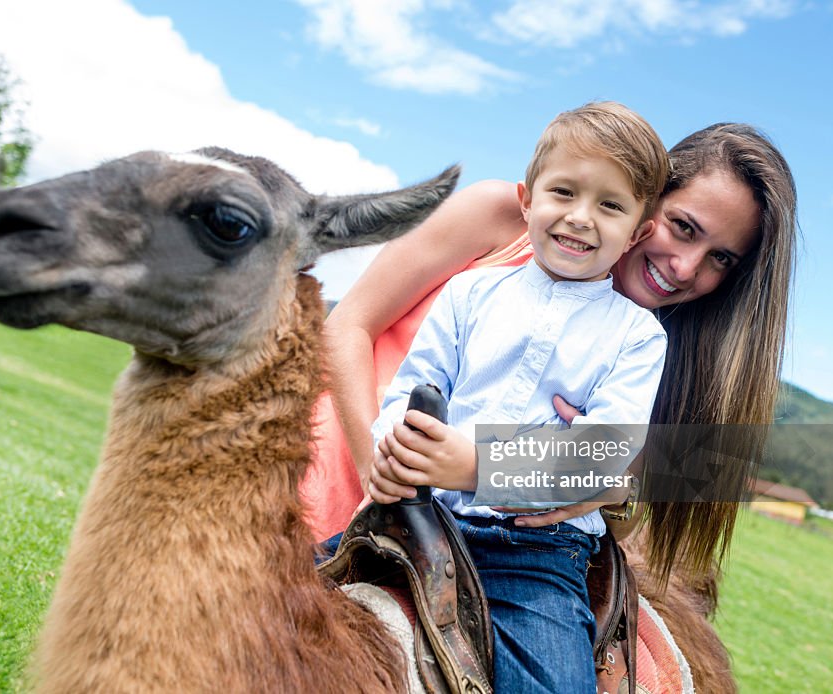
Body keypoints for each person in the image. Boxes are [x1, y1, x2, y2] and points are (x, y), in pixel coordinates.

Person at [304, 118, 796, 592]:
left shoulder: (644, 348)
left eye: (721, 259)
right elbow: (348, 324)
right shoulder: (499, 217)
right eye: (683, 227)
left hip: (478, 552)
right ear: (648, 208)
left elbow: (615, 519)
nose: (686, 268)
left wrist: (604, 490)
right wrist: (385, 478)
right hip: (341, 487)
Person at [363, 101, 669, 692]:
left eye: (610, 205)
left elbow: (599, 456)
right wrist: (394, 450)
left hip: (532, 554)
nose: (581, 218)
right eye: (564, 192)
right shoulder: (469, 292)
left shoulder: (637, 337)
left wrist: (476, 465)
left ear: (637, 231)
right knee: (282, 604)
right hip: (422, 517)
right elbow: (413, 390)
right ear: (527, 198)